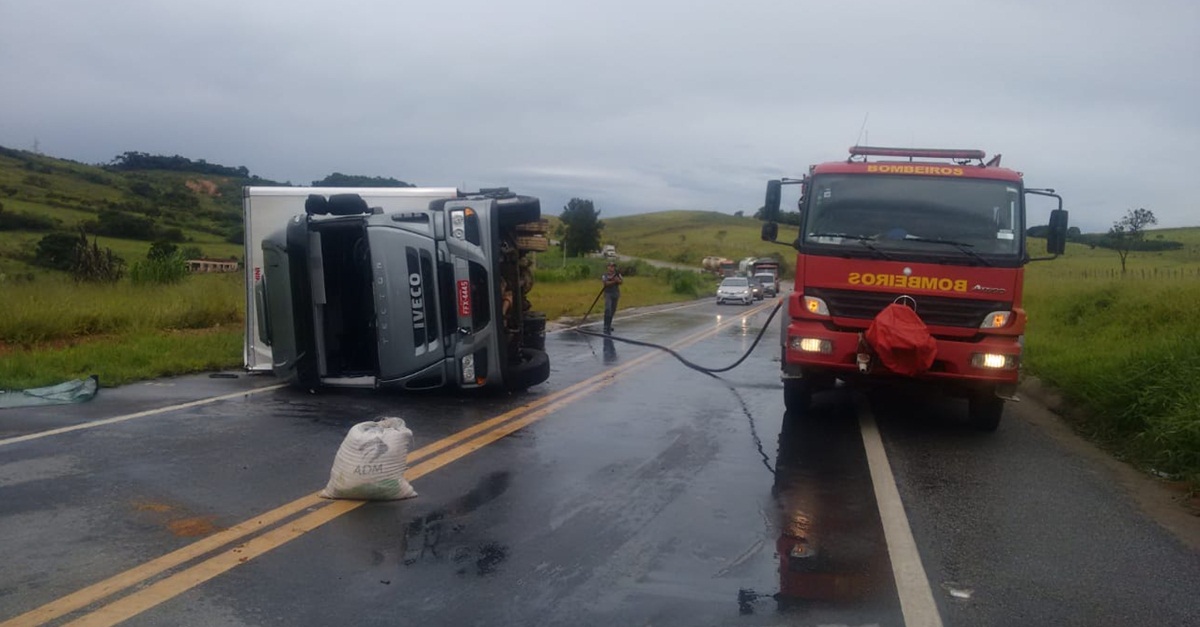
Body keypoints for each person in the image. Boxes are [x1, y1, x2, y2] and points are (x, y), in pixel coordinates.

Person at [600, 262, 623, 334]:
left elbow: (621, 281)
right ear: (608, 267)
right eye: (610, 266)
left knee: (613, 310)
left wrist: (617, 281)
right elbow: (606, 283)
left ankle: (609, 325)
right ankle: (605, 326)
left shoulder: (618, 274)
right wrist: (614, 281)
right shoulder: (605, 275)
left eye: (613, 266)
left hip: (615, 294)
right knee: (608, 309)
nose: (612, 268)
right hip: (608, 294)